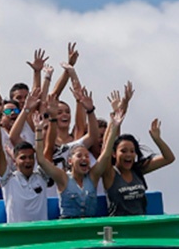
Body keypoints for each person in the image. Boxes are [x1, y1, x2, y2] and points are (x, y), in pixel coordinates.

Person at [36, 88, 125, 219]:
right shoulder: (63, 178)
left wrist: (114, 126)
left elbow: (106, 153)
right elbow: (41, 160)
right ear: (70, 161)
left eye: (86, 156)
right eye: (79, 156)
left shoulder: (93, 176)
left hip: (89, 224)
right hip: (68, 225)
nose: (84, 158)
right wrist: (38, 131)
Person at [0, 94, 49, 223]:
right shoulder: (7, 179)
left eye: (30, 158)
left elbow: (45, 153)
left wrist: (40, 130)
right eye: (23, 158)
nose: (28, 161)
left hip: (42, 235)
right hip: (17, 234)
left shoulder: (42, 176)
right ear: (14, 160)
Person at [101, 113, 175, 216]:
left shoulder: (137, 170)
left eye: (132, 151)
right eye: (123, 151)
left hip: (140, 225)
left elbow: (169, 158)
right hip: (120, 227)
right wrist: (113, 127)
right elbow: (105, 151)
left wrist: (157, 139)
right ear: (114, 154)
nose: (128, 154)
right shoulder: (110, 173)